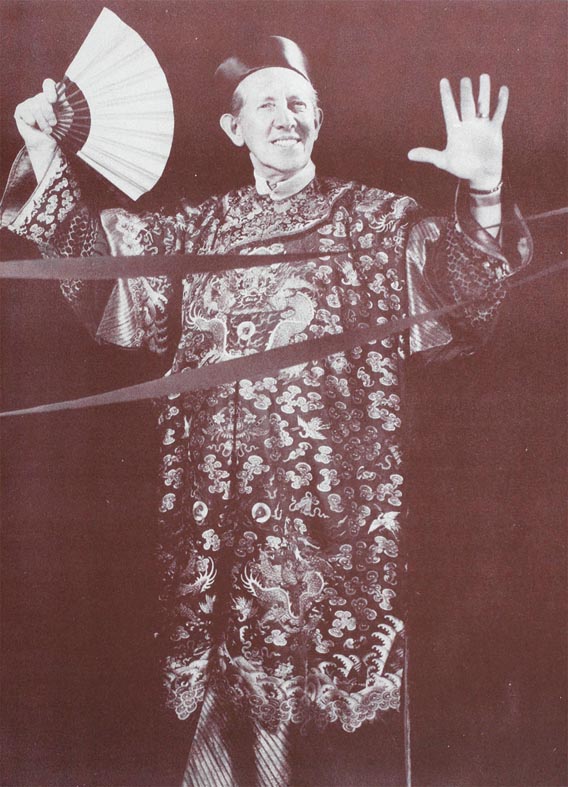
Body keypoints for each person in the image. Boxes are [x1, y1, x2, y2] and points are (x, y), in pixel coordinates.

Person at [2, 35, 531, 787]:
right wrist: (44, 153)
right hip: (217, 529)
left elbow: (464, 304)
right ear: (233, 127)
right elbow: (111, 284)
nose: (286, 117)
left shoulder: (375, 221)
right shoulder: (196, 231)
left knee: (333, 723)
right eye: (266, 104)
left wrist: (483, 193)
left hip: (335, 529)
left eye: (298, 103)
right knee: (231, 714)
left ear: (319, 119)